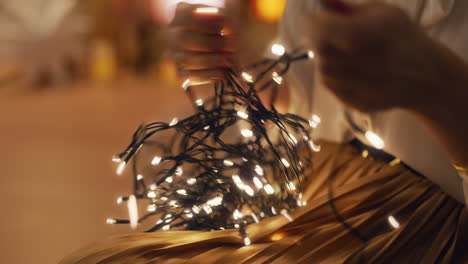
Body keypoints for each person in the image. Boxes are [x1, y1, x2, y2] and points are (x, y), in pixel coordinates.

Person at [62, 0, 468, 262]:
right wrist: (243, 68)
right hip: (326, 188)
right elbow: (308, 103)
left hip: (430, 225)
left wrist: (441, 90)